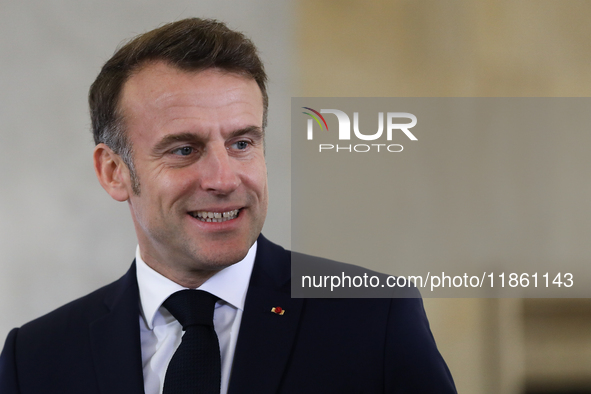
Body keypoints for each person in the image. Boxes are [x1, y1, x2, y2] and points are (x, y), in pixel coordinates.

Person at [0, 18, 456, 393]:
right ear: (114, 172)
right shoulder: (35, 359)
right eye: (184, 149)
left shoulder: (374, 319)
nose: (224, 179)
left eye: (241, 143)